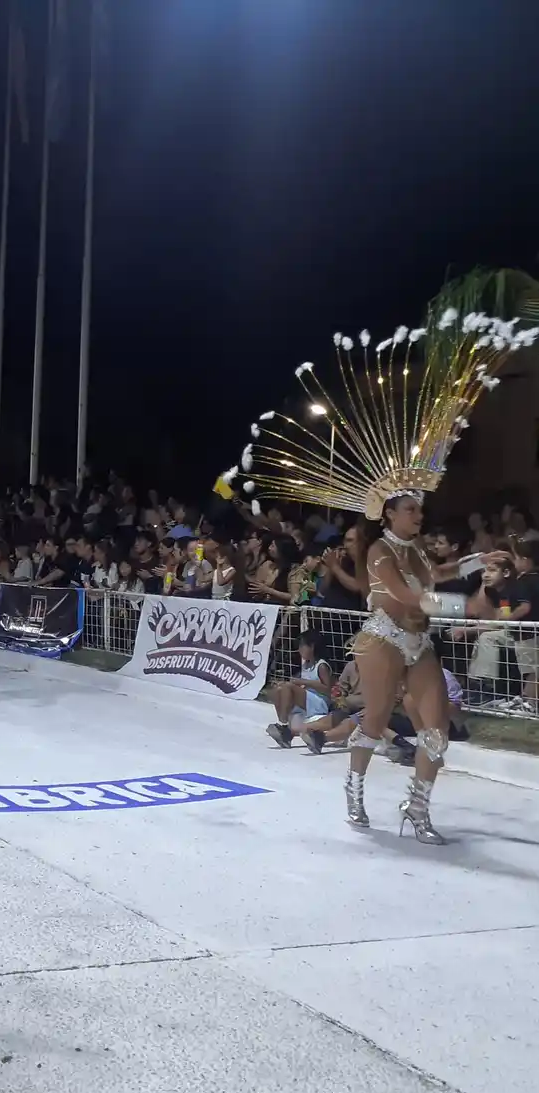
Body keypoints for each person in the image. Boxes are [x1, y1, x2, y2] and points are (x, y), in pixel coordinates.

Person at [227, 309, 532, 843]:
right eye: (410, 510)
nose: (419, 515)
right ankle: (355, 789)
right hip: (382, 643)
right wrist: (462, 600)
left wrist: (477, 569)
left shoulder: (417, 553)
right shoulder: (379, 556)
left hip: (419, 643)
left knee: (436, 735)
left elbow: (439, 576)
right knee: (372, 723)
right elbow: (410, 597)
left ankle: (417, 809)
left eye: (419, 509)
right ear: (389, 514)